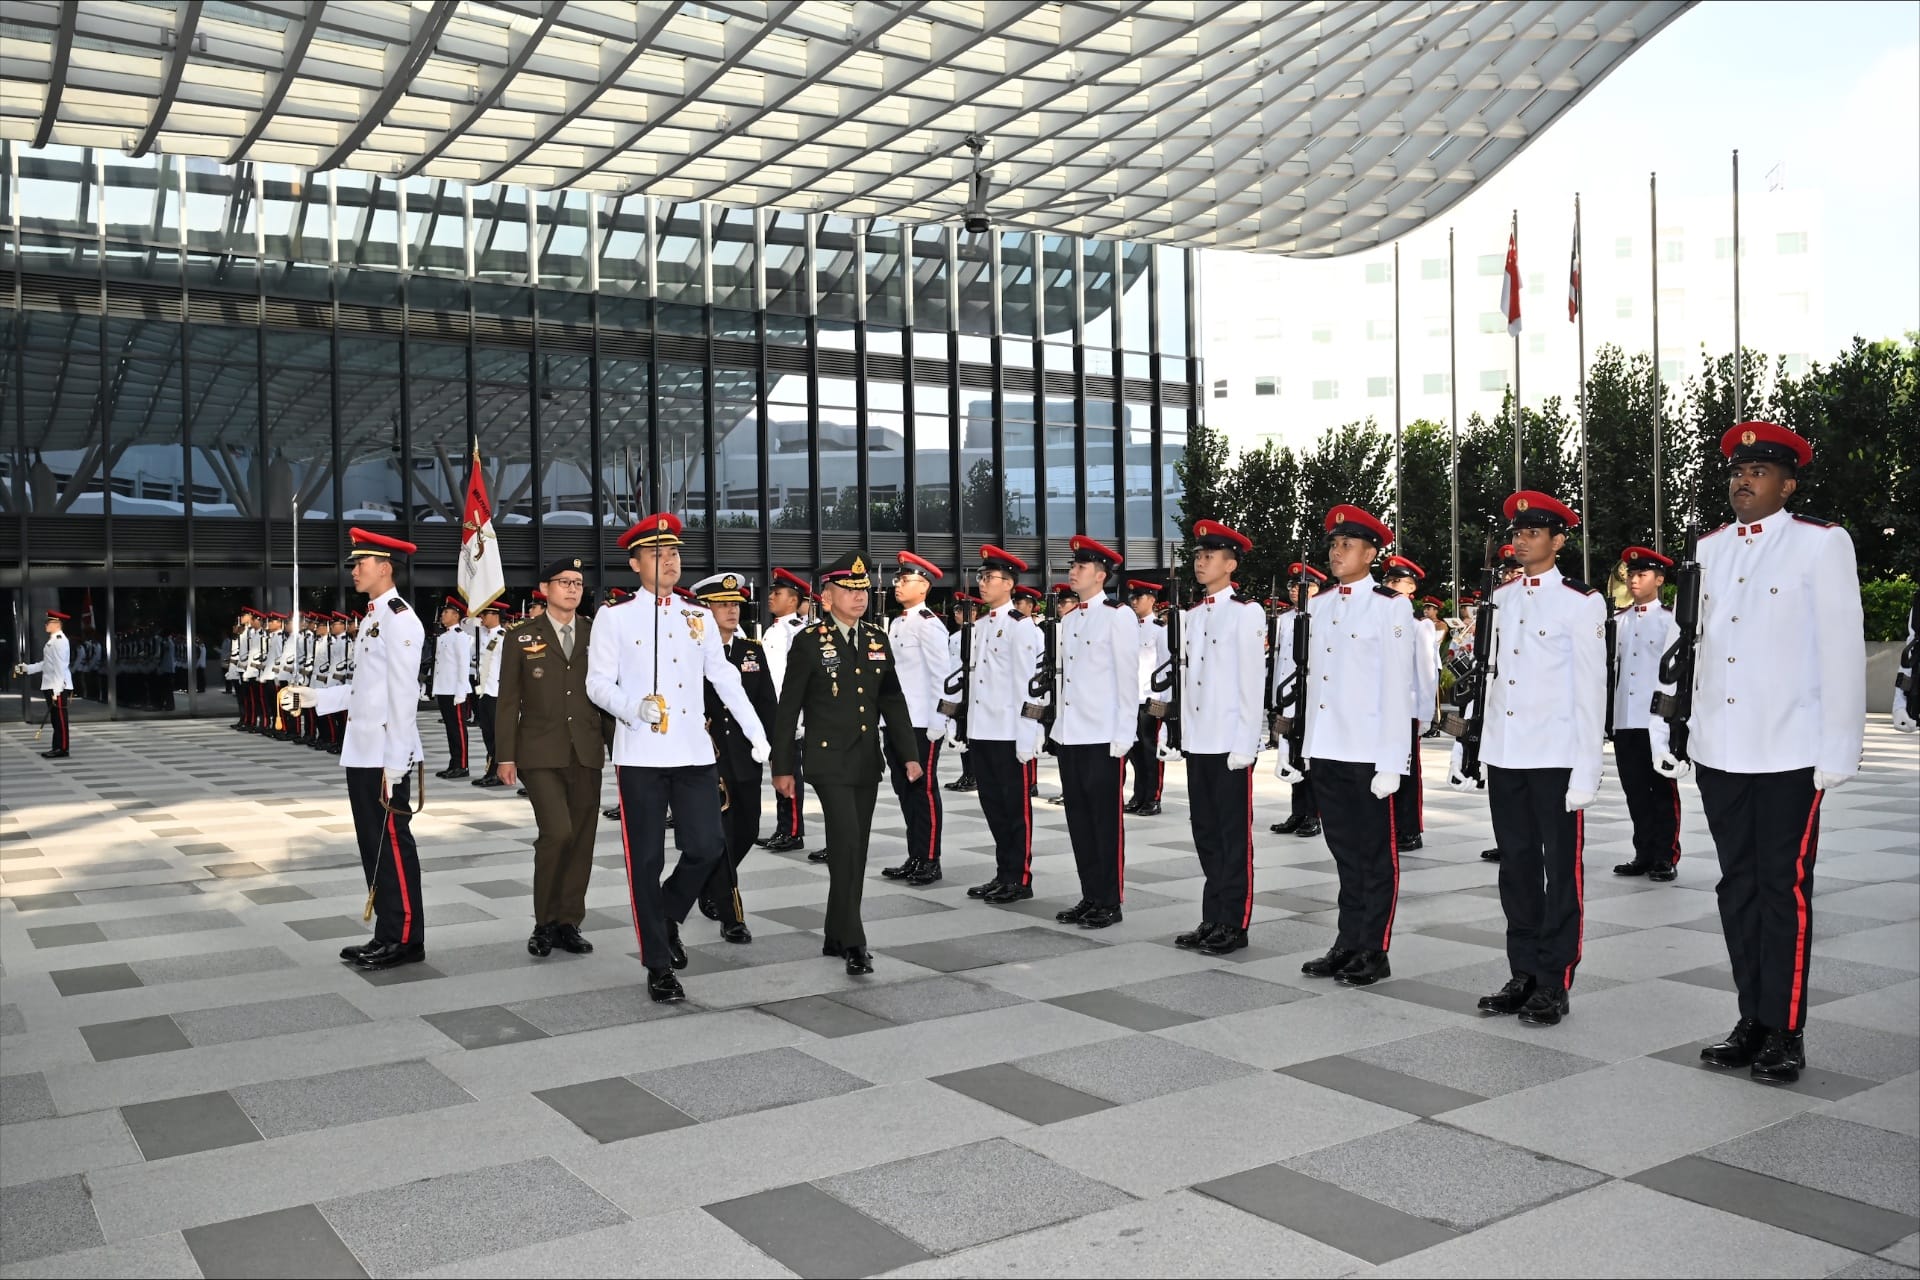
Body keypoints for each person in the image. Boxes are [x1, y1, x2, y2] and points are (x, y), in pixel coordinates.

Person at [1657, 421, 1864, 1084]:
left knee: (1783, 888)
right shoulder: (1710, 548)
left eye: (1760, 470)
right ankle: (1751, 1017)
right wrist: (1681, 732)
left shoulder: (1820, 545)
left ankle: (1786, 1029)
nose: (1743, 479)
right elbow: (1696, 648)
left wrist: (1839, 747)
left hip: (1790, 748)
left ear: (1789, 482)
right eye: (1738, 469)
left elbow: (1841, 650)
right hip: (1722, 747)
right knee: (1736, 886)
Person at [587, 513, 770, 1003]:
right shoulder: (615, 616)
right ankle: (658, 964)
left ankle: (667, 913)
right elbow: (597, 684)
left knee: (708, 846)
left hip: (692, 750)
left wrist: (758, 733)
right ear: (635, 563)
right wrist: (632, 707)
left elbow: (725, 677)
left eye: (674, 553)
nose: (670, 562)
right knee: (644, 860)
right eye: (657, 554)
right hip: (642, 754)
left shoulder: (697, 615)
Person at [1450, 490, 1606, 1028]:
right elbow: (1490, 682)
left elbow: (1591, 691)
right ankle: (1524, 972)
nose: (1520, 541)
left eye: (1533, 533)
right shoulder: (1502, 599)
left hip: (1556, 758)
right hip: (1507, 754)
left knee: (1560, 872)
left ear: (1558, 541)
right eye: (1516, 533)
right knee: (1516, 869)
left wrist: (1588, 769)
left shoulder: (1581, 601)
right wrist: (1472, 749)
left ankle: (1554, 980)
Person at [1281, 507, 1418, 986]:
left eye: (1348, 545)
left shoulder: (1389, 606)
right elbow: (1314, 683)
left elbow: (1398, 688)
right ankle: (1347, 941)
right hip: (1327, 748)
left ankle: (1373, 949)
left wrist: (1393, 761)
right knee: (1343, 853)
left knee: (1374, 856)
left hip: (1367, 752)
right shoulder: (1317, 607)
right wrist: (1302, 748)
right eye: (1334, 544)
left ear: (1371, 553)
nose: (1337, 552)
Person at [281, 529, 428, 970]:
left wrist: (397, 760)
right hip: (363, 750)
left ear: (385, 567)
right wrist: (316, 698)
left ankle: (405, 938)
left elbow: (403, 694)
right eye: (353, 563)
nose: (354, 569)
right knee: (373, 845)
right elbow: (365, 688)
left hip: (385, 752)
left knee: (391, 845)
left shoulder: (401, 619)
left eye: (361, 562)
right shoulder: (373, 618)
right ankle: (387, 930)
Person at [771, 552, 921, 974]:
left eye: (862, 591)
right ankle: (855, 942)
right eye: (849, 591)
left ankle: (836, 932)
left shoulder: (876, 638)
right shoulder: (809, 642)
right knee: (848, 843)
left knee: (854, 849)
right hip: (827, 759)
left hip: (865, 761)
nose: (859, 598)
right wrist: (782, 767)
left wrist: (909, 754)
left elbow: (891, 698)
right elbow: (788, 708)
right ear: (827, 595)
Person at [497, 558, 605, 959]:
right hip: (540, 751)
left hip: (586, 750)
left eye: (578, 583)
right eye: (564, 582)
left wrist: (623, 752)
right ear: (545, 589)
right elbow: (507, 702)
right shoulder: (521, 637)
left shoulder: (597, 634)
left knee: (581, 840)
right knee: (557, 833)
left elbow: (607, 698)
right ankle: (543, 922)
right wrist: (504, 756)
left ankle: (568, 922)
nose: (573, 589)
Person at [1174, 519, 1266, 956]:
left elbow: (1252, 682)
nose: (1200, 562)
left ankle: (1234, 921)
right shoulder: (1192, 616)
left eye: (1209, 556)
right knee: (1206, 832)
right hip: (1200, 741)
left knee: (1233, 835)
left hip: (1229, 742)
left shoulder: (1246, 612)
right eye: (1197, 555)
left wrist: (1247, 742)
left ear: (1230, 564)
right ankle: (1213, 915)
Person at [1050, 537, 1139, 929]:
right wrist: (1057, 728)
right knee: (1079, 821)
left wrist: (1124, 733)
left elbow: (1127, 678)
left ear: (1101, 575)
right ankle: (1090, 895)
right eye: (1073, 565)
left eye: (1082, 567)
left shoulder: (1117, 615)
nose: (1073, 571)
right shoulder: (1069, 619)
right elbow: (1064, 681)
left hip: (1103, 735)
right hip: (1072, 734)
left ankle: (1110, 900)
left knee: (1104, 822)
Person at [955, 546, 1047, 904]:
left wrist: (1029, 733)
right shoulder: (979, 626)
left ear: (1009, 584)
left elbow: (1031, 685)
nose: (982, 583)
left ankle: (1019, 877)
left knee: (1015, 809)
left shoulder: (1021, 628)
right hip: (982, 730)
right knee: (993, 806)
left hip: (1009, 732)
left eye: (989, 578)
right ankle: (1002, 872)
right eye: (981, 577)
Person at [691, 571, 776, 943]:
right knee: (722, 835)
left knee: (749, 829)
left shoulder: (751, 651)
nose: (730, 610)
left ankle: (707, 881)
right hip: (708, 757)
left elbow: (766, 705)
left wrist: (775, 750)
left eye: (735, 604)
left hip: (746, 756)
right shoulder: (691, 653)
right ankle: (732, 915)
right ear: (704, 610)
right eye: (722, 604)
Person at [1609, 546, 1683, 882]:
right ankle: (1643, 852)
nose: (1635, 580)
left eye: (1642, 574)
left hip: (1657, 721)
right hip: (1625, 718)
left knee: (1662, 791)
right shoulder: (1618, 621)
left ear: (1660, 579)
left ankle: (1665, 855)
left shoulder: (1671, 621)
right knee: (1635, 790)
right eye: (1632, 574)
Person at [880, 552, 952, 886]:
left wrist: (942, 720)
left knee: (922, 790)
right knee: (904, 791)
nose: (897, 585)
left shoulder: (929, 624)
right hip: (897, 723)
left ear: (922, 586)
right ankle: (915, 855)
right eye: (897, 579)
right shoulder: (897, 623)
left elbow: (944, 677)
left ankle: (931, 859)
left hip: (922, 723)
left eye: (904, 580)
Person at [1380, 554, 1437, 853]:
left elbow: (1426, 672)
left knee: (1407, 771)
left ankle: (1410, 829)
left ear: (1411, 587)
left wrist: (1424, 714)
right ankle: (1386, 826)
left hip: (1407, 709)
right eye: (1387, 580)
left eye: (1396, 581)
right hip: (1380, 709)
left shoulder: (1420, 626)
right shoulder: (1378, 618)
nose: (1389, 585)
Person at [1271, 563, 1327, 837]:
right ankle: (1298, 811)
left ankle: (1313, 814)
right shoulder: (1283, 619)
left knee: (1309, 757)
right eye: (1292, 586)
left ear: (1317, 589)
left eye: (1303, 585)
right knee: (1291, 754)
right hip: (1289, 696)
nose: (1296, 590)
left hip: (1312, 696)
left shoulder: (1323, 615)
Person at [759, 567, 812, 853]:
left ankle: (792, 831)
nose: (770, 597)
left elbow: (800, 679)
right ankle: (783, 827)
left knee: (790, 771)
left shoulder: (797, 632)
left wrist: (798, 718)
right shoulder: (775, 629)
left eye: (777, 593)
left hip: (790, 715)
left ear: (793, 600)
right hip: (775, 713)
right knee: (780, 769)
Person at [1124, 580, 1168, 815]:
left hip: (1150, 698)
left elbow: (1165, 665)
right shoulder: (1128, 628)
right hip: (1131, 698)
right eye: (1132, 598)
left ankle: (1153, 797)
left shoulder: (1160, 629)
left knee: (1151, 751)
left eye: (1138, 597)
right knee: (1135, 752)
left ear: (1151, 600)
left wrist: (1164, 700)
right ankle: (1138, 794)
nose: (1134, 601)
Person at [15, 609, 73, 759]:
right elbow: (46, 664)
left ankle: (63, 748)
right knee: (55, 719)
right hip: (51, 685)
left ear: (57, 624)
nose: (46, 625)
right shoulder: (53, 640)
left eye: (49, 622)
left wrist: (57, 690)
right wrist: (27, 668)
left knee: (60, 719)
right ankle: (57, 746)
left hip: (57, 686)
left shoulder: (59, 641)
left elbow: (60, 666)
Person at [430, 598, 474, 778]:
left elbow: (463, 666)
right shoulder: (444, 636)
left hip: (455, 691)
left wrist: (461, 692)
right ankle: (454, 762)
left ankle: (462, 765)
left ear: (456, 616)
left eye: (446, 612)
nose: (442, 615)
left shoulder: (460, 637)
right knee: (450, 729)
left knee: (458, 729)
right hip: (444, 690)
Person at [944, 593, 982, 794]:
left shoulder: (979, 633)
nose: (957, 614)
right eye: (956, 610)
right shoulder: (954, 636)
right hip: (956, 691)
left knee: (968, 734)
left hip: (970, 689)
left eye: (962, 610)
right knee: (959, 734)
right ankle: (966, 773)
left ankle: (973, 775)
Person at [470, 602, 507, 787]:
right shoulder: (485, 636)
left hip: (497, 693)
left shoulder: (503, 637)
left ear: (495, 614)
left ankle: (498, 773)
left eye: (484, 614)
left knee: (496, 735)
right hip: (484, 692)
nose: (481, 618)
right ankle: (490, 770)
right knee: (487, 734)